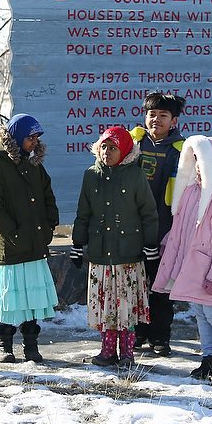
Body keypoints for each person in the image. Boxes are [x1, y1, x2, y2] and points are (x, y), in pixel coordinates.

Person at [151, 135, 212, 380]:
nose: (199, 167)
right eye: (196, 161)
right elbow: (179, 230)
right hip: (190, 269)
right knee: (200, 313)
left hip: (208, 270)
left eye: (205, 162)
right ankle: (208, 358)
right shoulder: (191, 192)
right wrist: (167, 248)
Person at [71, 126, 159, 370]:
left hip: (128, 256)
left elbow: (149, 213)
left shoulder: (135, 175)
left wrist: (150, 244)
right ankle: (107, 351)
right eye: (104, 147)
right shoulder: (91, 175)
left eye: (113, 148)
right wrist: (78, 244)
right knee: (106, 307)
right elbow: (83, 213)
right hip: (101, 256)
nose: (107, 152)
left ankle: (128, 352)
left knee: (126, 307)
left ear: (126, 151)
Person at [0, 114, 59, 364]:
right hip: (13, 244)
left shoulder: (36, 164)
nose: (34, 142)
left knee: (32, 299)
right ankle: (5, 344)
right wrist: (12, 232)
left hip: (36, 243)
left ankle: (31, 346)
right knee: (10, 298)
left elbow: (48, 196)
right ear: (16, 137)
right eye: (30, 137)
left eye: (37, 137)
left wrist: (49, 226)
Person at [130, 91, 186, 356]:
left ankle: (160, 336)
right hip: (133, 228)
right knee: (135, 283)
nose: (156, 120)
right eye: (152, 114)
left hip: (165, 229)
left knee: (160, 285)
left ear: (173, 120)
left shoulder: (181, 150)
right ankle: (138, 332)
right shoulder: (133, 143)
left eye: (163, 116)